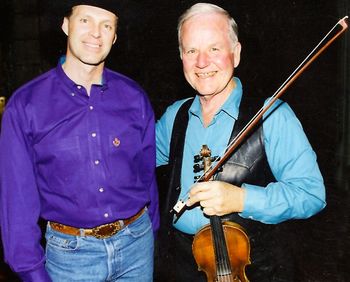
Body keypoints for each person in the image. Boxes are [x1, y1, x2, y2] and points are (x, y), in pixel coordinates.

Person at [155, 3, 325, 281]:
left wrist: (242, 198)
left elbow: (311, 195)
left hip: (252, 268)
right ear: (181, 57)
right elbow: (133, 160)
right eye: (191, 50)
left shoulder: (272, 114)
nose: (201, 62)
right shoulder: (175, 115)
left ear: (236, 54)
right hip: (181, 265)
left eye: (214, 49)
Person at [0, 1, 159, 281]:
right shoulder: (25, 106)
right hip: (70, 258)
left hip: (137, 245)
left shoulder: (134, 98)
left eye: (106, 25)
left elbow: (147, 177)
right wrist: (32, 272)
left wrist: (151, 235)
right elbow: (17, 200)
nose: (96, 33)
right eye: (85, 20)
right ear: (66, 25)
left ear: (115, 37)